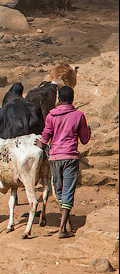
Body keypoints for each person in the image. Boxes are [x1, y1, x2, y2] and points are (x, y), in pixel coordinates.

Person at [36, 86, 91, 238]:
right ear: (72, 99)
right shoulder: (78, 115)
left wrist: (40, 143)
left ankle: (65, 222)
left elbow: (45, 137)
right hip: (70, 157)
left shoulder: (51, 115)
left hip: (54, 158)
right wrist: (89, 131)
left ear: (59, 99)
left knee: (59, 189)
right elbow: (85, 139)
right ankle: (62, 228)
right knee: (68, 190)